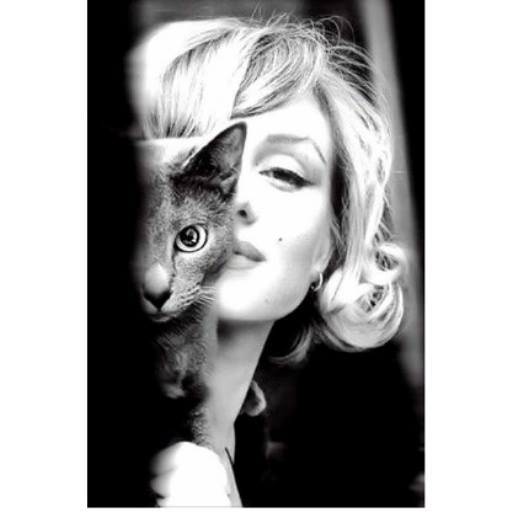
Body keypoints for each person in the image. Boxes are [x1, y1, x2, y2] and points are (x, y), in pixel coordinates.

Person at [128, 15, 422, 507]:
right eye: (192, 165)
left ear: (331, 246)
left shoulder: (257, 454)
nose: (234, 197)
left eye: (284, 172)